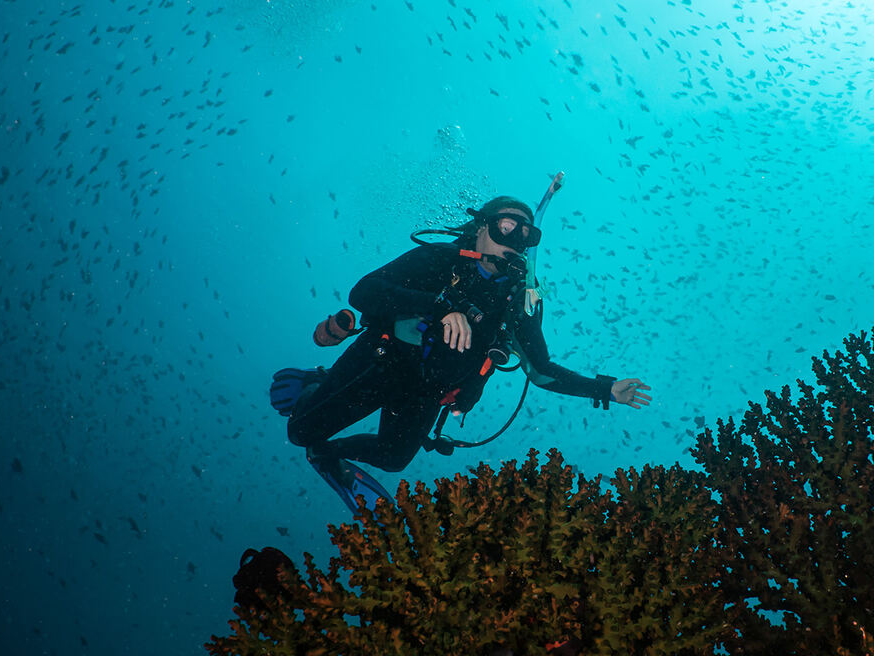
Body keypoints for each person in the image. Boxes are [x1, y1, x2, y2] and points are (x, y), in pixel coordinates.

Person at [270, 197, 651, 511]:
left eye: (525, 233)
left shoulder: (516, 303)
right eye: (506, 226)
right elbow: (363, 292)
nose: (515, 238)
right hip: (381, 362)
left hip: (426, 391)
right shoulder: (441, 259)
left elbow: (542, 371)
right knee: (298, 431)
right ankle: (315, 385)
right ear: (482, 226)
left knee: (393, 458)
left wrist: (604, 389)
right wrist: (440, 307)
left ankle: (327, 454)